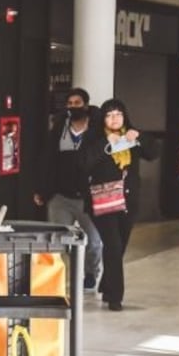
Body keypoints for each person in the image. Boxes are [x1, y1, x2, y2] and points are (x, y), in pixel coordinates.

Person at [80, 98, 159, 311]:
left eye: (119, 114)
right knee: (113, 246)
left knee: (120, 245)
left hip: (128, 200)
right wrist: (108, 145)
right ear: (103, 119)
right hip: (103, 201)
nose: (115, 119)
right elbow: (85, 163)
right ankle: (115, 297)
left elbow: (153, 154)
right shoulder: (94, 139)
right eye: (110, 115)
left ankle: (107, 284)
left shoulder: (131, 137)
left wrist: (140, 138)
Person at [33, 88, 103, 291]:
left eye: (77, 103)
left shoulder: (95, 129)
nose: (73, 107)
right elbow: (47, 160)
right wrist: (42, 189)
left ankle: (91, 273)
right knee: (59, 240)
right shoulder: (59, 128)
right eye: (69, 103)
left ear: (86, 105)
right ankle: (62, 276)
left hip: (87, 197)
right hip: (60, 196)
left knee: (93, 242)